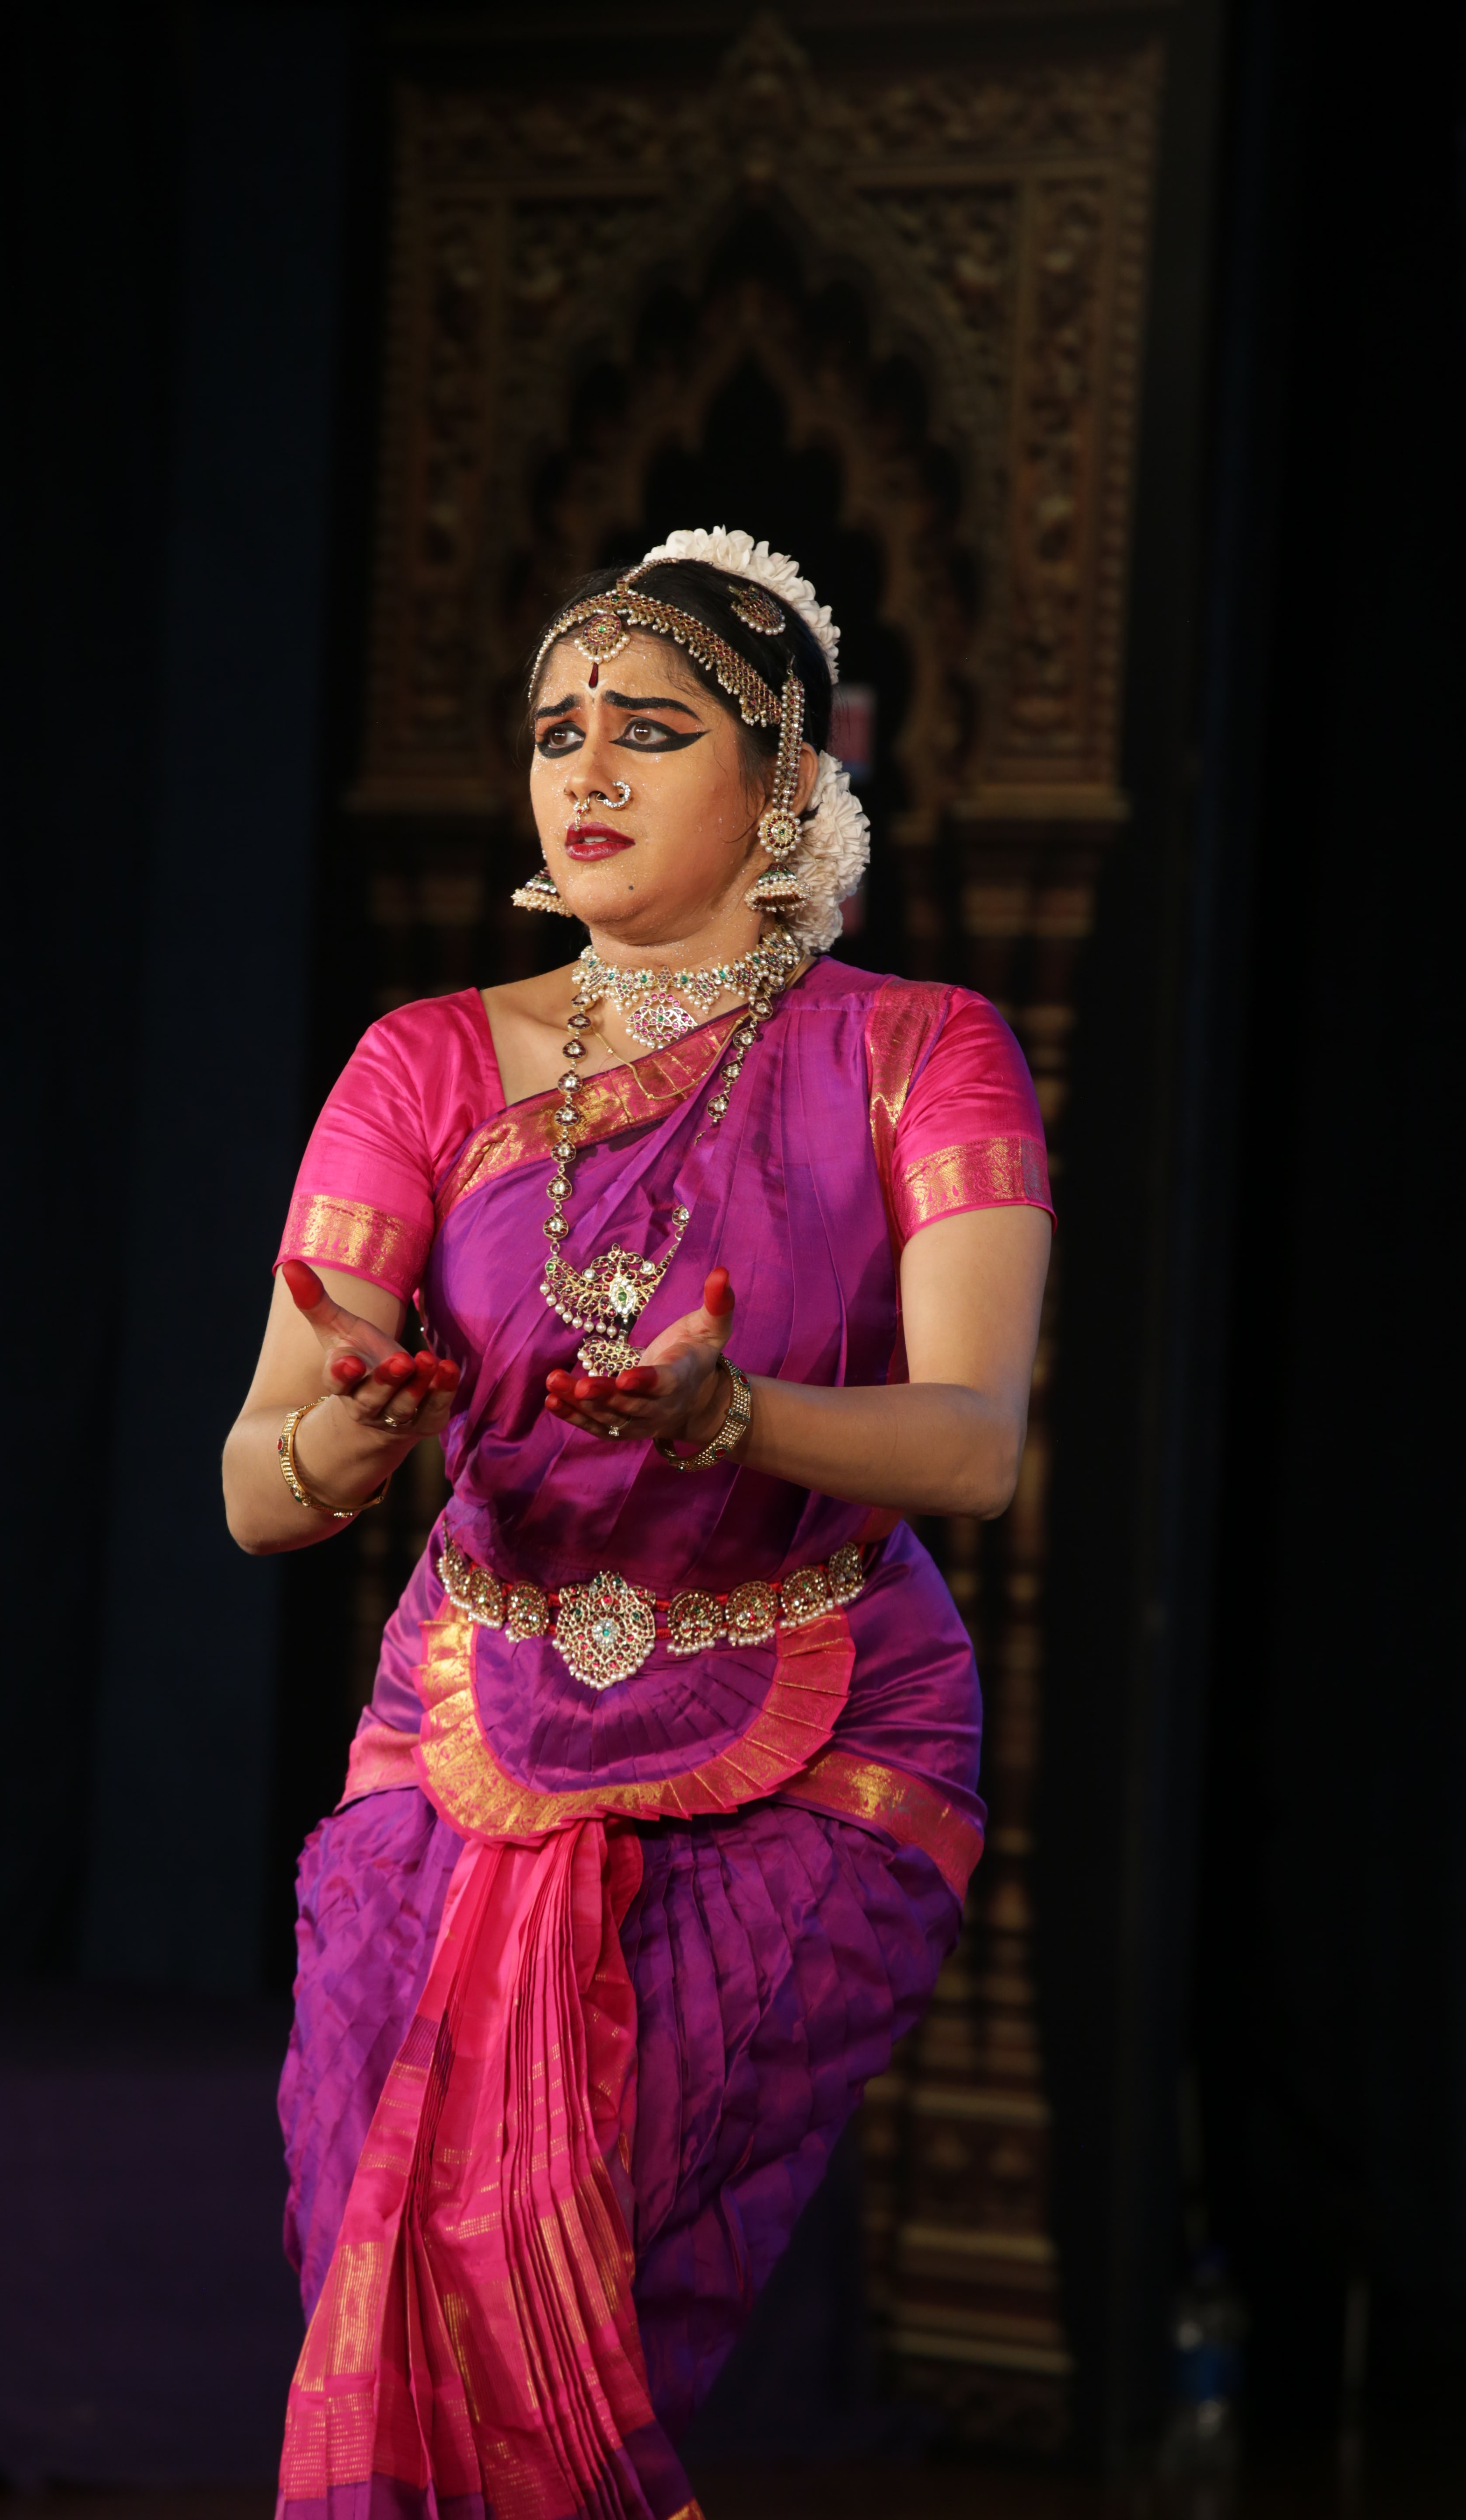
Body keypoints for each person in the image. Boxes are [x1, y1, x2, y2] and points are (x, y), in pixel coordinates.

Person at [223, 526, 1053, 2520]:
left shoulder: (920, 1052)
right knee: (376, 2252)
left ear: (786, 784)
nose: (583, 771)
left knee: (544, 2255)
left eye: (652, 731)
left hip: (810, 1726)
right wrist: (346, 1436)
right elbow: (256, 1482)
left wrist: (737, 1415)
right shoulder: (425, 1066)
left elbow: (974, 1448)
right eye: (555, 732)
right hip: (469, 1726)